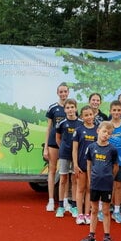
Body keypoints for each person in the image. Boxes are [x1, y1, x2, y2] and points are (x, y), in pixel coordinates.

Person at [80, 121, 119, 241]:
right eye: (104, 131)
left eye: (109, 133)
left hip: (106, 184)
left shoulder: (112, 149)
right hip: (95, 182)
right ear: (98, 131)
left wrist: (109, 177)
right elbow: (89, 164)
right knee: (94, 209)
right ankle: (91, 235)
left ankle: (107, 236)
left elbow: (116, 166)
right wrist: (91, 178)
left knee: (106, 210)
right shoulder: (91, 147)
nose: (106, 135)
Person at [44, 83, 69, 212]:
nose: (63, 94)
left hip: (66, 144)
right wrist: (46, 147)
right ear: (57, 93)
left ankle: (65, 201)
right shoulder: (52, 108)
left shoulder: (72, 107)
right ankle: (51, 201)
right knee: (52, 171)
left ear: (68, 93)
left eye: (65, 91)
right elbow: (48, 128)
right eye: (61, 91)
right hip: (54, 143)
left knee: (65, 173)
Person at [73, 105, 99, 225]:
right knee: (80, 189)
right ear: (82, 117)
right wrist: (75, 164)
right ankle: (79, 214)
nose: (89, 117)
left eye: (90, 114)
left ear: (94, 115)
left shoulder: (98, 130)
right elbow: (75, 149)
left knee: (89, 189)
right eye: (86, 115)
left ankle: (87, 214)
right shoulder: (78, 130)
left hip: (93, 166)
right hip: (81, 165)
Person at [55, 98, 80, 218]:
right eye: (68, 108)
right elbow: (58, 138)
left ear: (76, 108)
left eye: (72, 107)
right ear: (64, 109)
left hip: (76, 156)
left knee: (74, 180)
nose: (70, 110)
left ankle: (74, 206)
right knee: (63, 179)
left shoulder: (80, 123)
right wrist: (63, 149)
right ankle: (60, 206)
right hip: (64, 154)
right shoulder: (61, 123)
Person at [108, 100, 121, 224]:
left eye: (118, 110)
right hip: (107, 160)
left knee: (119, 185)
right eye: (114, 110)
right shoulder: (107, 124)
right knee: (107, 185)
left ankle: (116, 211)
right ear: (110, 111)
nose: (116, 112)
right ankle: (103, 209)